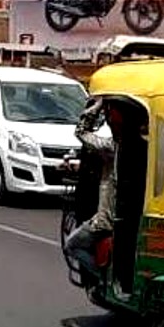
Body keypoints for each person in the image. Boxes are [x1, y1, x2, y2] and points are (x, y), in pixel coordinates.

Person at [63, 98, 122, 277]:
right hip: (127, 217)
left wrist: (97, 106)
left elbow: (81, 131)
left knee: (72, 245)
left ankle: (101, 278)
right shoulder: (146, 147)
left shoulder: (113, 146)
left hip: (105, 220)